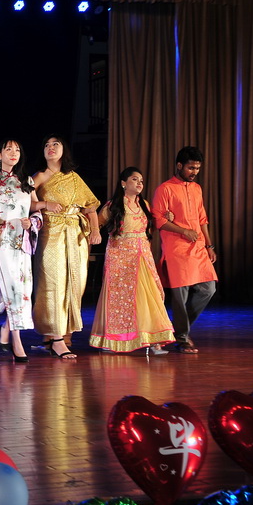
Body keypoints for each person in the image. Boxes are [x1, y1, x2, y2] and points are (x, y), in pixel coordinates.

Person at [89, 167, 175, 354]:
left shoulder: (144, 204)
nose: (139, 183)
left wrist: (166, 218)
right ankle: (114, 341)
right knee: (119, 299)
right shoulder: (113, 206)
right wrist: (94, 231)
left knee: (150, 295)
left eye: (141, 180)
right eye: (135, 179)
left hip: (142, 255)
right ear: (123, 183)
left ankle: (153, 340)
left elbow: (149, 229)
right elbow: (96, 224)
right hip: (119, 255)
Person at [31, 134, 101, 359]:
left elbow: (90, 207)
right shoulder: (40, 176)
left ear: (64, 150)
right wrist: (44, 204)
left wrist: (95, 230)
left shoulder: (73, 177)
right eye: (46, 145)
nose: (50, 148)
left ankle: (62, 335)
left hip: (75, 235)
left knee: (75, 283)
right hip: (51, 234)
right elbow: (24, 203)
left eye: (56, 144)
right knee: (52, 283)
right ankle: (55, 338)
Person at [150, 146, 217, 354]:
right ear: (179, 166)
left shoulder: (197, 188)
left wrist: (209, 245)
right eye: (191, 168)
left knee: (209, 289)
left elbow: (202, 218)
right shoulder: (165, 189)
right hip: (176, 247)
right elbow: (159, 220)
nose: (194, 172)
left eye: (197, 168)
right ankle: (182, 337)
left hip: (198, 247)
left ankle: (177, 329)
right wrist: (183, 231)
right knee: (181, 296)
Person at [0, 139, 42, 363]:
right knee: (12, 287)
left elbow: (35, 209)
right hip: (2, 240)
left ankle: (7, 326)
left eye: (17, 149)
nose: (14, 153)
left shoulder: (27, 181)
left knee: (24, 288)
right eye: (8, 149)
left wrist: (32, 221)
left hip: (22, 240)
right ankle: (17, 339)